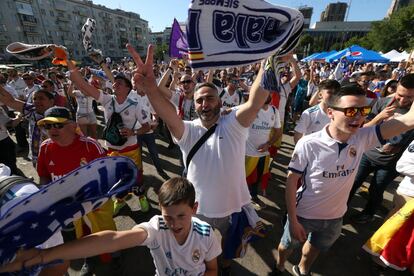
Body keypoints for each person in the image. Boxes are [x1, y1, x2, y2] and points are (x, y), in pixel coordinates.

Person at [127, 44, 270, 274]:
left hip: (229, 207)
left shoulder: (234, 123)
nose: (205, 104)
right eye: (200, 100)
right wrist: (152, 88)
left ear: (220, 101)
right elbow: (167, 113)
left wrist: (268, 61)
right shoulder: (188, 131)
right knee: (199, 247)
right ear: (193, 105)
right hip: (196, 209)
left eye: (210, 98)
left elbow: (255, 101)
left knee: (224, 244)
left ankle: (222, 263)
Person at [270, 83, 414, 275]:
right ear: (330, 112)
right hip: (304, 213)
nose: (359, 116)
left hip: (335, 217)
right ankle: (280, 266)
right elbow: (290, 183)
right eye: (350, 111)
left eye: (363, 110)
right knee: (286, 246)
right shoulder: (309, 143)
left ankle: (302, 270)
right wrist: (293, 219)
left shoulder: (362, 137)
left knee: (315, 248)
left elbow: (407, 121)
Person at [0, 177, 222, 276]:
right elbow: (113, 239)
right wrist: (42, 256)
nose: (173, 224)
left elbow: (211, 269)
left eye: (181, 216)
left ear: (194, 208)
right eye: (168, 216)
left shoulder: (207, 234)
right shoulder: (157, 228)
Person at [36, 106, 116, 275]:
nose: (52, 130)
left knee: (104, 231)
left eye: (58, 125)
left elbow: (108, 174)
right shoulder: (45, 147)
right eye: (48, 126)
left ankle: (113, 256)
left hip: (97, 203)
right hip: (70, 207)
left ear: (73, 126)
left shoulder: (90, 146)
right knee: (82, 235)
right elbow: (44, 176)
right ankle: (90, 259)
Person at [68, 61, 151, 215]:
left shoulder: (135, 105)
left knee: (136, 175)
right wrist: (71, 67)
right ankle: (120, 200)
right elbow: (85, 86)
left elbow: (148, 127)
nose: (115, 84)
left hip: (130, 148)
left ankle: (141, 197)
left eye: (119, 83)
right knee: (117, 177)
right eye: (115, 83)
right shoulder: (107, 99)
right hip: (111, 148)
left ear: (128, 88)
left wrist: (133, 132)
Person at [348, 74, 414, 223]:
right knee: (352, 183)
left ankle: (368, 214)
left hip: (389, 164)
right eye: (400, 95)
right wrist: (380, 117)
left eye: (409, 97)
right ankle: (340, 209)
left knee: (376, 190)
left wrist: (400, 147)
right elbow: (362, 128)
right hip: (367, 155)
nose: (403, 100)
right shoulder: (383, 102)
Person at [0, 87, 55, 166]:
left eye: (41, 98)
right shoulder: (31, 110)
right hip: (37, 156)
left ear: (51, 101)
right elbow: (10, 101)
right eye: (34, 99)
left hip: (55, 155)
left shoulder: (59, 114)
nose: (37, 101)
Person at [245, 95, 282, 207]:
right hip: (245, 153)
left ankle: (253, 196)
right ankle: (238, 203)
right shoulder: (250, 108)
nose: (265, 95)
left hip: (262, 154)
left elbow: (278, 131)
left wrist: (269, 144)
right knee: (240, 180)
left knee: (257, 179)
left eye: (267, 93)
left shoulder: (274, 111)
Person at [294, 80, 341, 144]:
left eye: (335, 93)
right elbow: (298, 134)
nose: (333, 96)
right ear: (320, 95)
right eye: (329, 92)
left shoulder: (340, 115)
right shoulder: (309, 113)